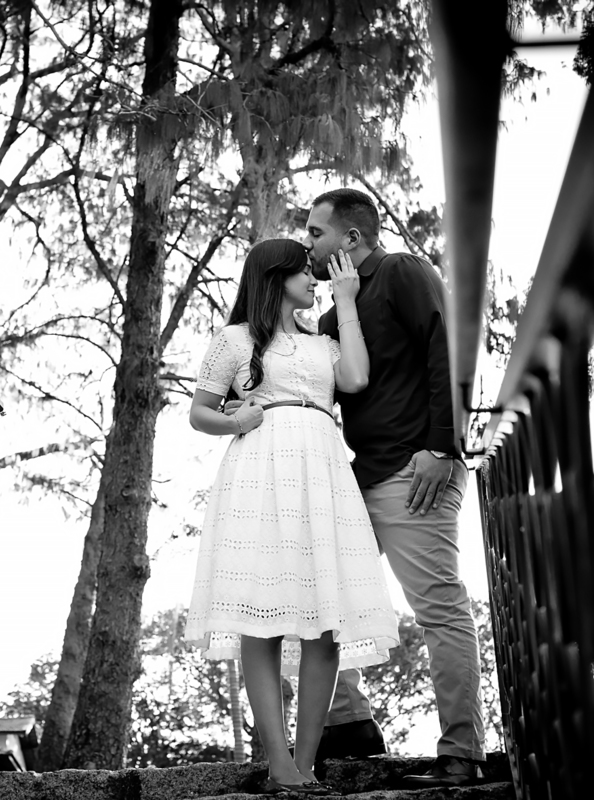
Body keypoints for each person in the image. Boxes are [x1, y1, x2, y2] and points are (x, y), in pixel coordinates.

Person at [185, 238, 399, 795]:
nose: (314, 280)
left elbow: (356, 379)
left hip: (322, 473)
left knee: (325, 623)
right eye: (305, 272)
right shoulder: (234, 339)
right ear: (274, 277)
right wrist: (238, 421)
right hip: (259, 472)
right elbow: (200, 412)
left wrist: (346, 301)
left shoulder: (324, 342)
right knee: (263, 621)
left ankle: (305, 766)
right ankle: (278, 764)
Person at [303, 188, 485, 787]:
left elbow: (450, 348)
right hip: (360, 476)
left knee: (438, 609)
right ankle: (349, 723)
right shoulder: (331, 319)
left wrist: (442, 446)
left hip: (416, 471)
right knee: (313, 591)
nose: (308, 244)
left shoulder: (402, 271)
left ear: (351, 238)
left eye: (315, 233)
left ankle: (462, 753)